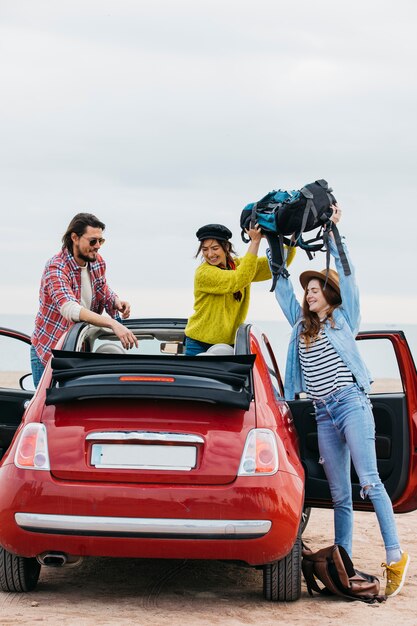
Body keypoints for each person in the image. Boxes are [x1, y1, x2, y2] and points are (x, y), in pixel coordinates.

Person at [271, 204, 409, 597]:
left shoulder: (343, 319)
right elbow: (281, 285)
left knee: (369, 481)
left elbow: (349, 278)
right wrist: (274, 246)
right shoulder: (300, 326)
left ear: (328, 295)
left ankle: (396, 555)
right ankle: (344, 562)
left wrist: (334, 231)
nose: (308, 294)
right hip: (323, 414)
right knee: (339, 495)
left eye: (314, 289)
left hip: (350, 403)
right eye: (307, 291)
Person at [31, 212, 138, 386]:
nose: (98, 246)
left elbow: (102, 288)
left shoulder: (97, 261)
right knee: (47, 408)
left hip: (79, 350)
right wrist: (112, 323)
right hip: (50, 353)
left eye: (101, 241)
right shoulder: (56, 267)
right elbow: (69, 308)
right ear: (75, 237)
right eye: (93, 241)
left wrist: (115, 302)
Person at [184, 222, 290, 356]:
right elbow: (238, 280)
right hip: (199, 344)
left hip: (228, 345)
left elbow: (276, 265)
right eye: (205, 249)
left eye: (215, 248)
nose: (210, 254)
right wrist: (255, 242)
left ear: (226, 247)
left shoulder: (238, 265)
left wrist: (290, 237)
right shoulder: (203, 274)